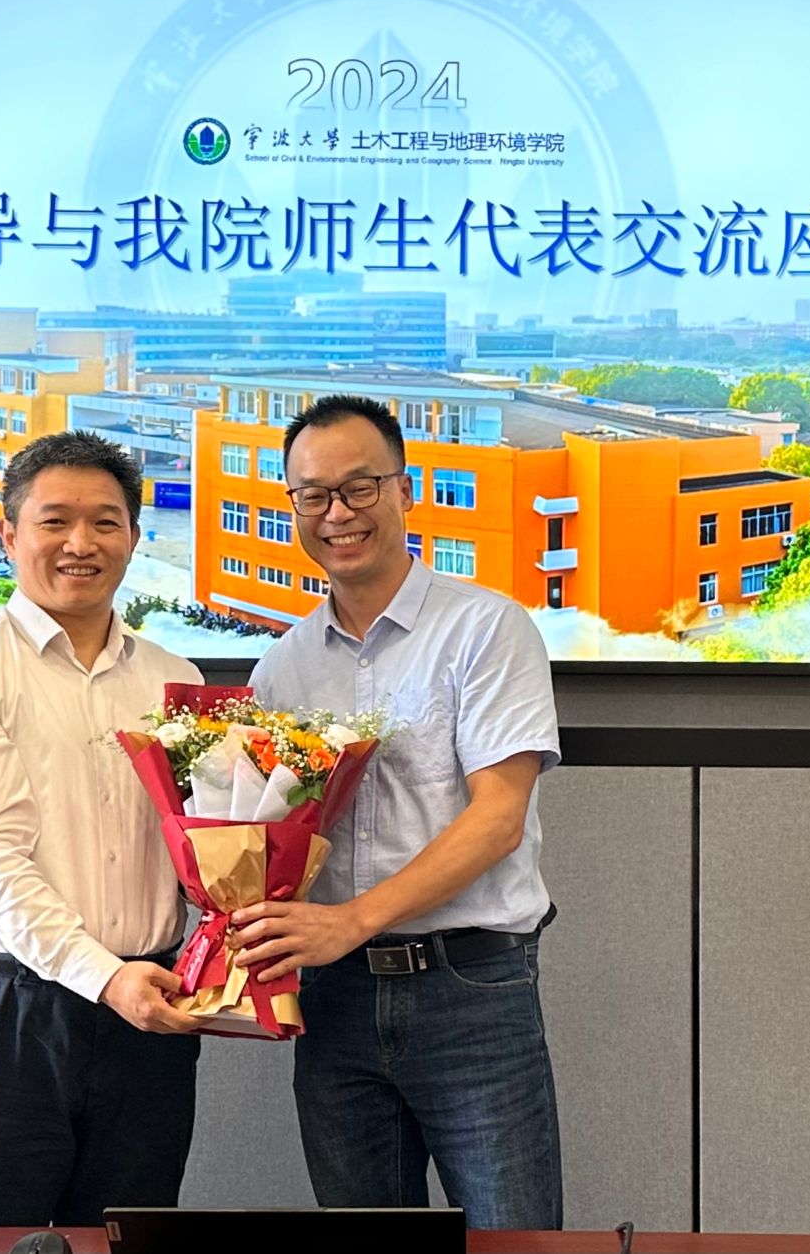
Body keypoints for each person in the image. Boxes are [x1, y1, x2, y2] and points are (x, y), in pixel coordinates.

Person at [233, 393, 564, 1230]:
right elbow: (269, 843)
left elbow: (498, 818)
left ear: (404, 489)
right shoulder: (280, 671)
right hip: (333, 999)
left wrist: (352, 921)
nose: (338, 514)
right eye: (314, 494)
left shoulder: (487, 629)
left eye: (360, 487)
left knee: (515, 1239)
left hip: (471, 989)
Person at [0, 431, 202, 1228]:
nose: (80, 544)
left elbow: (207, 849)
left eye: (105, 522)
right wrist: (105, 977)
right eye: (55, 521)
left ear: (135, 536)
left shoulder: (177, 680)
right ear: (9, 534)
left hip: (148, 1019)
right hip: (6, 1019)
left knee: (127, 1244)